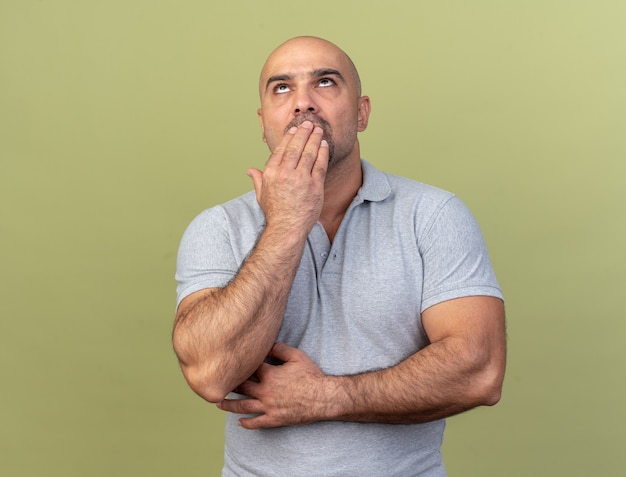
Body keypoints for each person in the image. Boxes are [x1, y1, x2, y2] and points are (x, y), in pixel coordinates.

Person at [173, 36, 506, 477]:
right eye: (282, 88)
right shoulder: (218, 227)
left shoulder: (434, 215)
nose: (303, 103)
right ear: (263, 121)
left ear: (362, 112)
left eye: (325, 83)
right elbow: (211, 373)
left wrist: (327, 397)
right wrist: (287, 224)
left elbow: (480, 372)